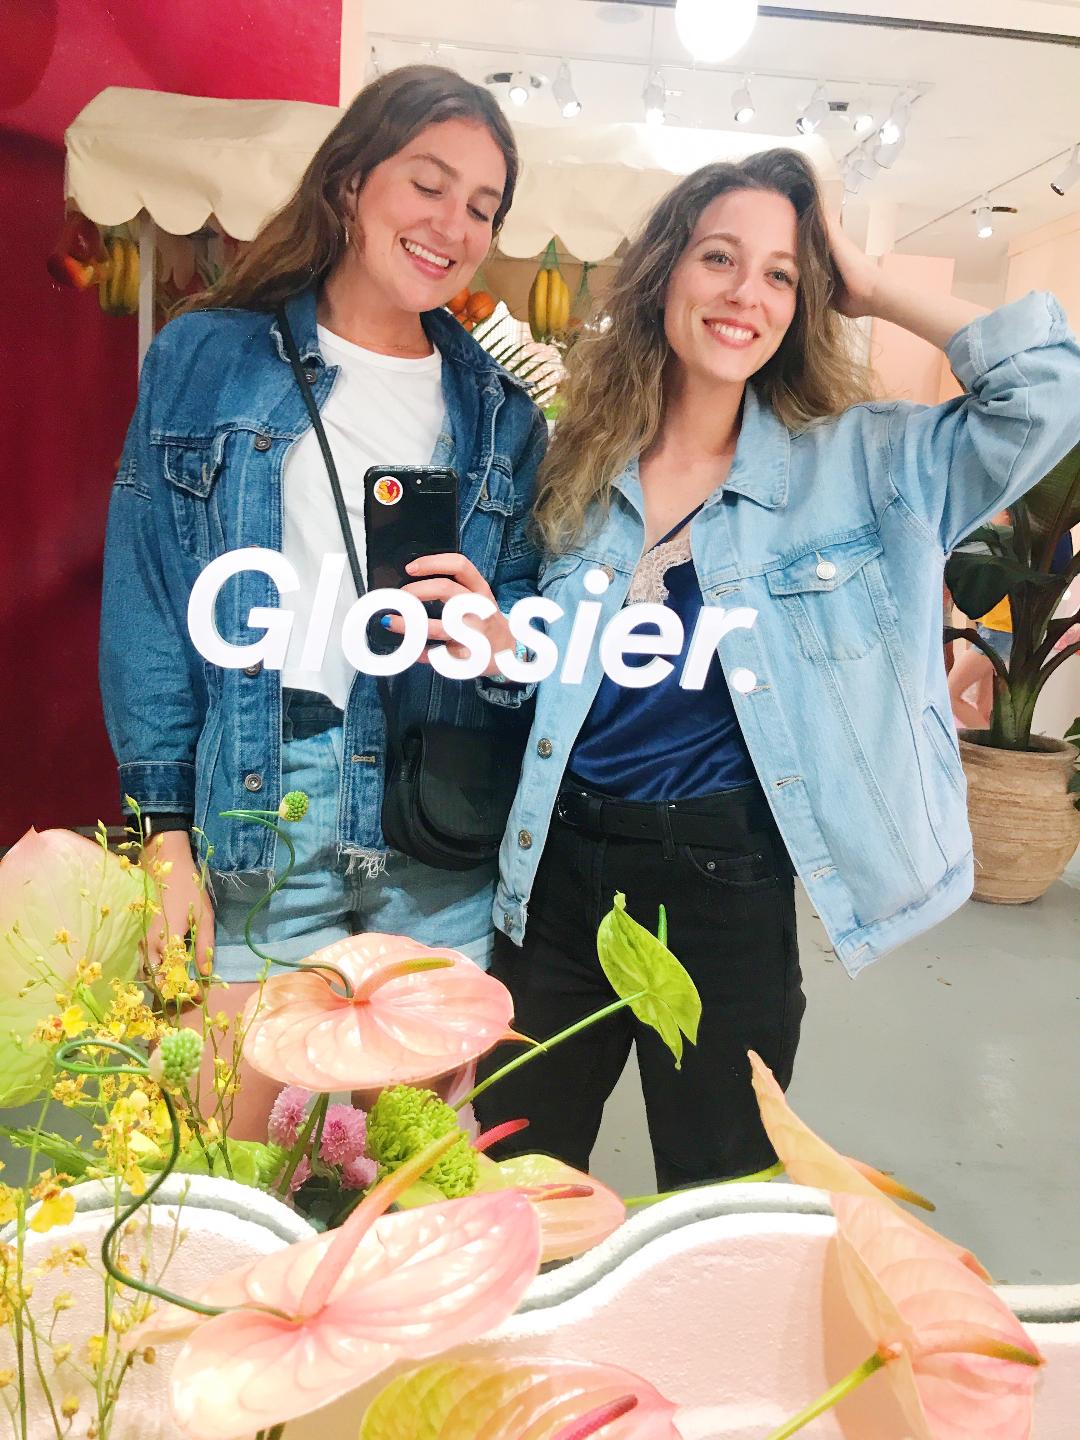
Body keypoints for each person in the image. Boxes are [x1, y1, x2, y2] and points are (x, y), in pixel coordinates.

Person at [474, 149, 1080, 1190]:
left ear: (806, 304)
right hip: (556, 867)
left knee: (720, 1191)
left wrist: (873, 285)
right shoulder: (579, 465)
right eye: (719, 257)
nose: (744, 294)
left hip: (723, 879)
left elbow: (1049, 393)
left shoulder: (859, 466)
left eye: (781, 274)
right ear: (666, 270)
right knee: (512, 1175)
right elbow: (554, 679)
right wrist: (501, 652)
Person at [99, 66, 545, 1132]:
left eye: (482, 207)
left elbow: (530, 616)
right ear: (350, 183)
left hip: (435, 813)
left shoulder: (504, 414)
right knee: (238, 1157)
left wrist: (500, 640)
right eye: (427, 185)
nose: (453, 225)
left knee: (408, 1172)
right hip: (264, 798)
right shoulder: (205, 360)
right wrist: (163, 833)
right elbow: (151, 599)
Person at [948, 521, 1075, 729]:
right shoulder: (1028, 525)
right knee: (984, 705)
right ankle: (991, 741)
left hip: (1001, 629)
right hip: (996, 625)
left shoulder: (1024, 525)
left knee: (951, 693)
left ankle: (991, 746)